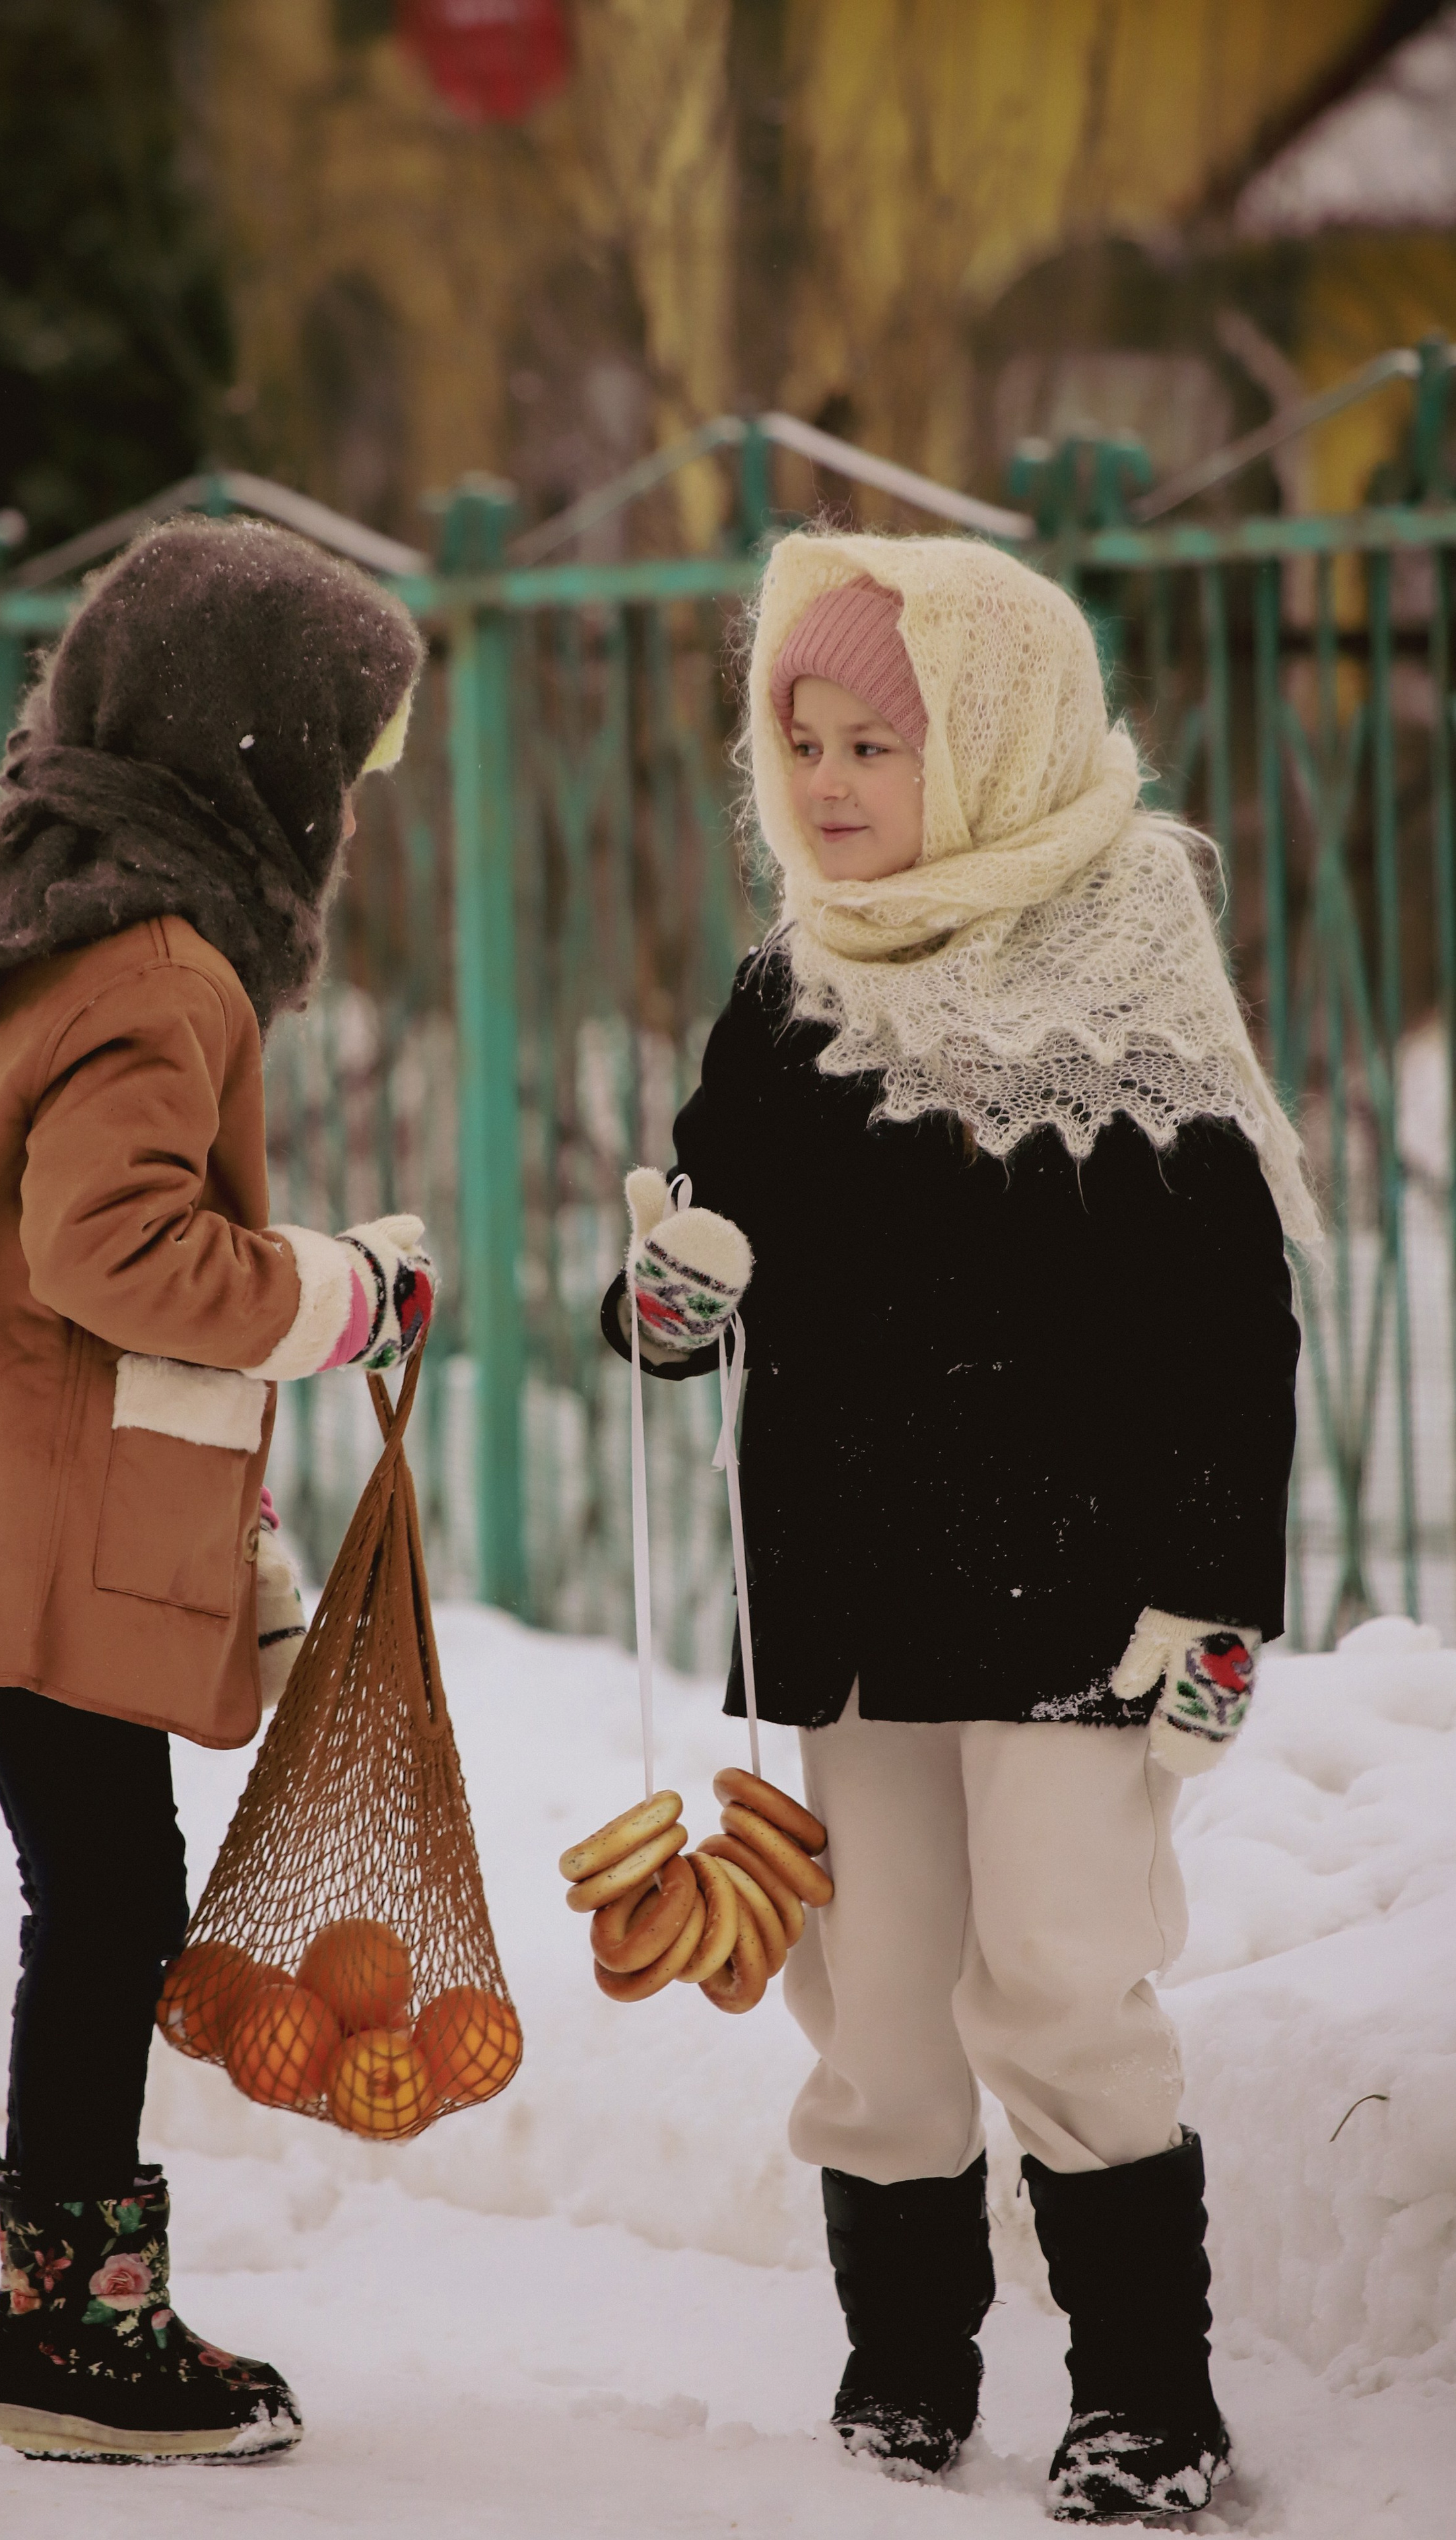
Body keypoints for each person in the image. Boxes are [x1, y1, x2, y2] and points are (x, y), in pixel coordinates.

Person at [604, 533, 1309, 2522]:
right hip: (850, 1596)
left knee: (1065, 1982)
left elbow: (1225, 1334)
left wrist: (1216, 1607)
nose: (826, 785)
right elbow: (702, 1238)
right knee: (879, 2004)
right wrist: (667, 1302)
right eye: (800, 739)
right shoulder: (787, 997)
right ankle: (904, 2376)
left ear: (996, 746)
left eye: (877, 746)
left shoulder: (1125, 987)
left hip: (1080, 1608)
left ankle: (1148, 2401)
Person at [0, 516, 432, 2465]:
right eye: (345, 759)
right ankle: (75, 2336)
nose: (349, 806)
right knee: (104, 1900)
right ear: (259, 758)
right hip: (35, 1518)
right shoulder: (163, 965)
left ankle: (74, 2320)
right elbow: (111, 1251)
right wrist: (342, 1296)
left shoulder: (54, 905)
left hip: (25, 1499)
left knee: (95, 1890)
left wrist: (216, 1517)